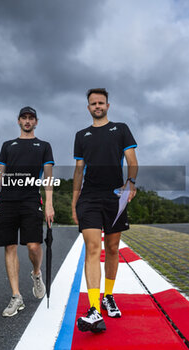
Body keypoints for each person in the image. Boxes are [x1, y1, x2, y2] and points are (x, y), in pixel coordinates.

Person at [72, 88, 138, 332]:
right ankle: (93, 309)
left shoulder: (120, 129)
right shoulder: (81, 135)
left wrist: (130, 183)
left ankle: (108, 296)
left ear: (108, 105)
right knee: (92, 247)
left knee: (112, 248)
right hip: (88, 198)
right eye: (93, 103)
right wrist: (74, 201)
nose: (97, 106)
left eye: (100, 102)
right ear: (88, 107)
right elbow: (79, 170)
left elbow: (132, 160)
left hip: (114, 197)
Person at [0, 106, 54, 317]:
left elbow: (48, 177)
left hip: (31, 200)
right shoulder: (7, 146)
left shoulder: (44, 146)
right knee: (9, 247)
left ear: (36, 122)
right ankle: (16, 296)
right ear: (19, 121)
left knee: (33, 246)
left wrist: (49, 204)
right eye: (24, 118)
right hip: (7, 201)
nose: (28, 121)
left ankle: (36, 273)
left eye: (31, 118)